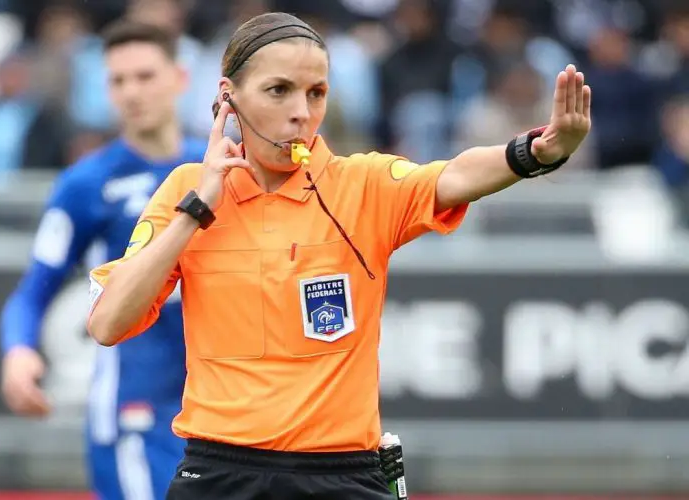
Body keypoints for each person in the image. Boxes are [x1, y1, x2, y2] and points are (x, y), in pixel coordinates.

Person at [87, 12, 592, 500]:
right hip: (219, 473)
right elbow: (108, 323)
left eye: (316, 93)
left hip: (342, 475)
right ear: (228, 97)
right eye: (278, 90)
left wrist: (538, 152)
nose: (301, 112)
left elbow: (455, 174)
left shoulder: (361, 184)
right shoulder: (186, 189)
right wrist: (196, 209)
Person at [0, 20, 207, 500]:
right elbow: (34, 289)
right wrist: (18, 350)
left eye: (145, 76)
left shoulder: (216, 169)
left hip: (217, 407)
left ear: (179, 78)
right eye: (118, 80)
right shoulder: (86, 185)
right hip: (133, 411)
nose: (131, 91)